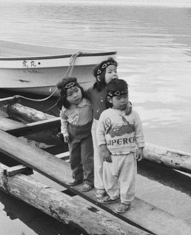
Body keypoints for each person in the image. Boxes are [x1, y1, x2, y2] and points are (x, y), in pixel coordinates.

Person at [95, 78, 145, 214]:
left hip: (128, 154)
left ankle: (126, 201)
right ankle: (114, 195)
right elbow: (100, 133)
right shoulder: (105, 114)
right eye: (118, 98)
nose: (123, 101)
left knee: (127, 179)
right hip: (111, 154)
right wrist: (103, 149)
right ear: (110, 99)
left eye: (125, 97)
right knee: (109, 177)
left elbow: (139, 131)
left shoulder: (133, 114)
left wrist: (140, 147)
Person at [86, 57, 119, 201]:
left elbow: (125, 102)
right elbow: (80, 97)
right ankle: (100, 186)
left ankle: (114, 188)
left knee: (112, 157)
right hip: (97, 125)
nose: (114, 74)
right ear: (100, 76)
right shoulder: (92, 90)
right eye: (110, 72)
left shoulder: (118, 89)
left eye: (115, 71)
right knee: (99, 156)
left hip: (114, 127)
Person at [57, 76, 94, 192]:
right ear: (65, 97)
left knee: (87, 158)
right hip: (72, 134)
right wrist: (64, 133)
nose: (75, 95)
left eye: (76, 91)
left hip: (87, 134)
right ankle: (77, 177)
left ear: (80, 89)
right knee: (74, 157)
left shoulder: (88, 102)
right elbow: (63, 119)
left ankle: (89, 180)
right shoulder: (65, 107)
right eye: (70, 94)